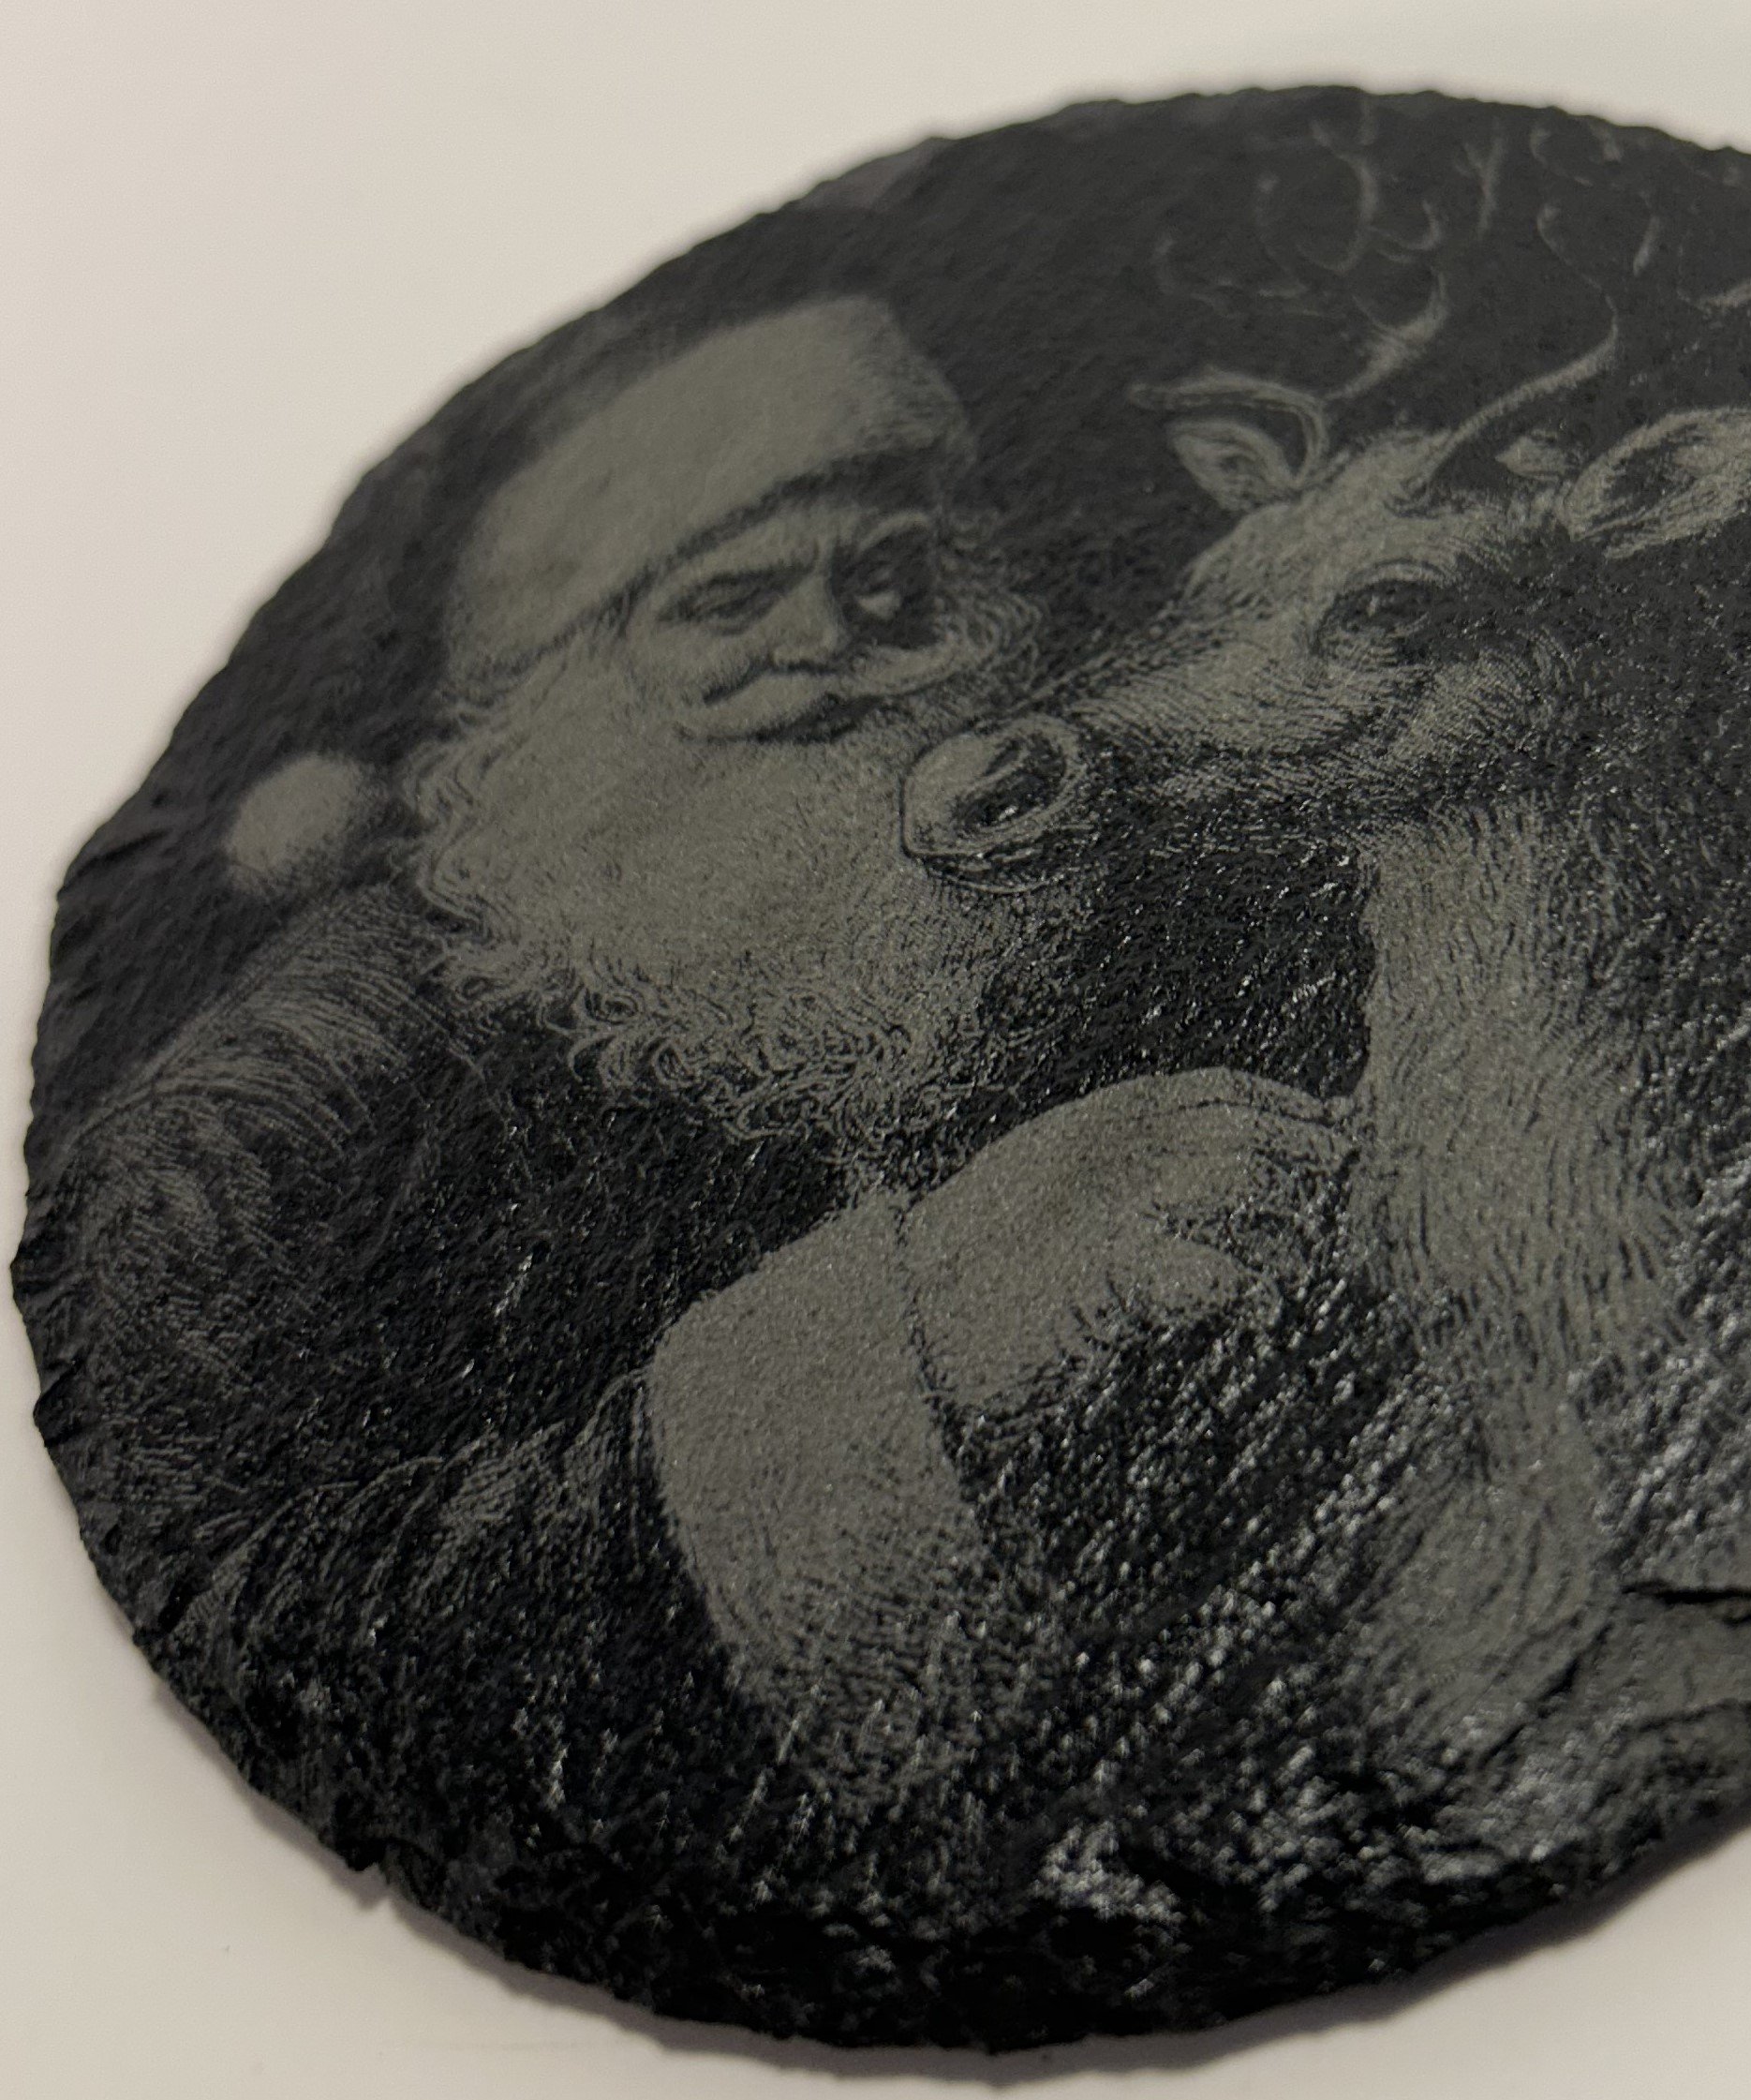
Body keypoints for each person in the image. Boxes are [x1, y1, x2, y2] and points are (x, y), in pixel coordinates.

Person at [21, 293, 1374, 2039]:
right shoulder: (274, 1127)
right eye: (727, 604)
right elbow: (274, 1613)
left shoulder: (1118, 875)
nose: (832, 644)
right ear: (550, 699)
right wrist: (925, 1324)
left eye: (893, 577)